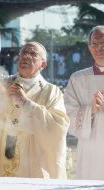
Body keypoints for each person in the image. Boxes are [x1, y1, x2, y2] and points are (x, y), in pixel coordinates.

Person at [0, 42, 69, 179]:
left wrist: (26, 103)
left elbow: (59, 126)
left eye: (33, 54)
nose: (26, 56)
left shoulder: (51, 91)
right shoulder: (2, 84)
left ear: (43, 64)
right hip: (1, 153)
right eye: (23, 53)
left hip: (33, 160)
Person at [64, 25, 104, 180]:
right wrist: (91, 110)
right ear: (89, 47)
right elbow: (67, 113)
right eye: (95, 44)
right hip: (90, 149)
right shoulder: (77, 78)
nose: (99, 48)